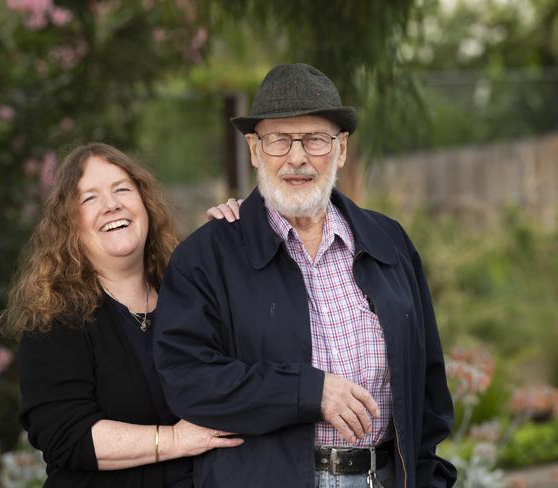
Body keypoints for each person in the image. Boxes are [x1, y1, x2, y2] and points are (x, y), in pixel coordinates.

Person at [154, 63, 457, 488]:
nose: (297, 157)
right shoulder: (207, 257)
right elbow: (188, 381)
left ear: (341, 149)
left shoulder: (388, 242)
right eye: (279, 140)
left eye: (315, 139)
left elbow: (427, 386)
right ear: (255, 150)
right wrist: (308, 391)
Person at [0, 142, 243, 488]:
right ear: (68, 225)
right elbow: (67, 436)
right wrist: (175, 440)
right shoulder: (55, 319)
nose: (111, 205)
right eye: (89, 198)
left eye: (122, 189)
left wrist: (242, 233)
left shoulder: (192, 296)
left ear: (145, 203)